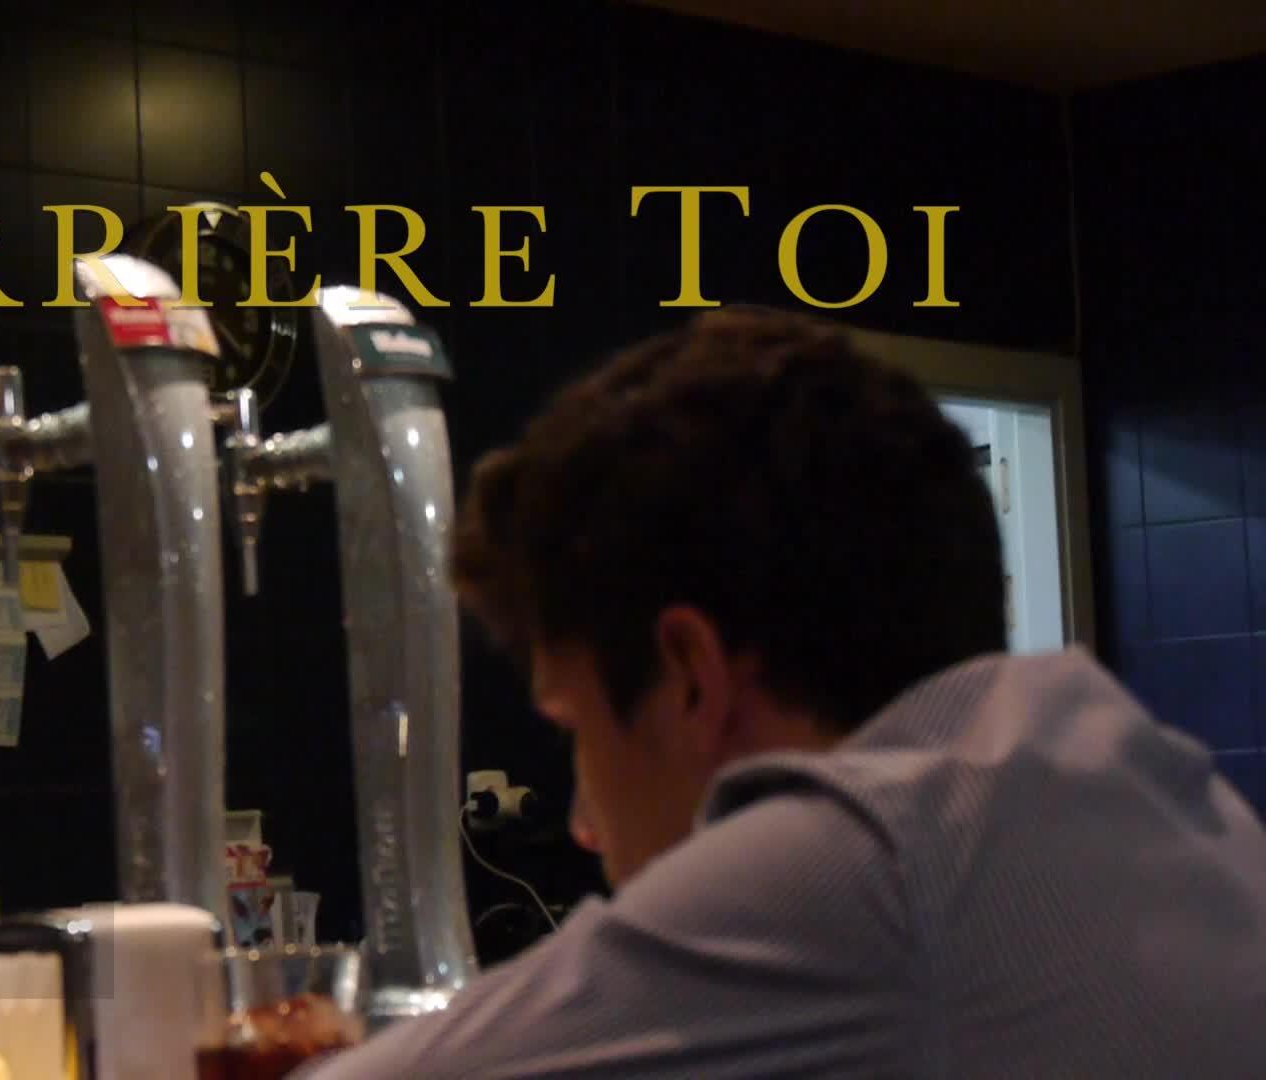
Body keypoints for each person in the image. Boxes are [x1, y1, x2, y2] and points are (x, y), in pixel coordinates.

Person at [302, 307, 1266, 1078]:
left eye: (576, 728)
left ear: (690, 674)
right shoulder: (1145, 785)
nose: (585, 825)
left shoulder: (870, 857)